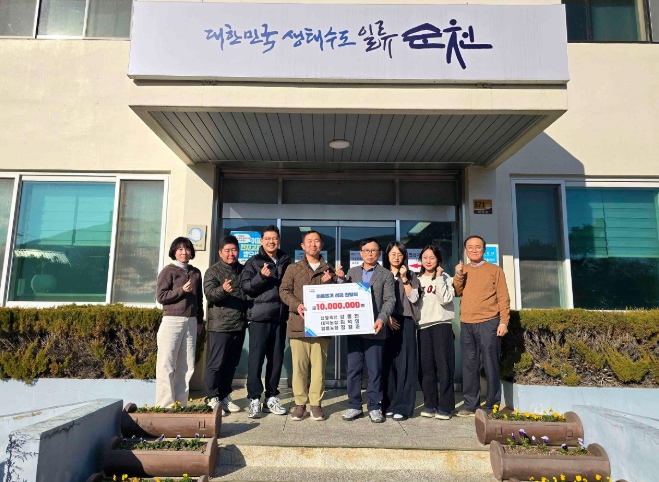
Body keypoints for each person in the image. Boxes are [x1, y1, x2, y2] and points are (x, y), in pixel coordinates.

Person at [279, 230, 340, 422]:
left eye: (317, 241)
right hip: (299, 324)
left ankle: (316, 404)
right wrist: (297, 305)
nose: (313, 244)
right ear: (303, 246)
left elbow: (335, 298)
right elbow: (284, 290)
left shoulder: (329, 269)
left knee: (319, 368)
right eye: (309, 241)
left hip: (321, 326)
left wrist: (332, 282)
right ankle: (300, 404)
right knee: (299, 368)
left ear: (321, 245)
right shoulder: (293, 268)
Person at [339, 238, 395, 423]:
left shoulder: (386, 274)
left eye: (373, 250)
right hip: (355, 328)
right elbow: (343, 296)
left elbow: (389, 300)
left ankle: (374, 406)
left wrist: (382, 319)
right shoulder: (352, 272)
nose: (370, 253)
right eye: (366, 250)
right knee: (353, 369)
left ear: (379, 253)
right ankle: (354, 405)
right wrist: (340, 280)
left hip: (375, 328)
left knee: (374, 370)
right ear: (361, 253)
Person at [453, 235, 510, 417]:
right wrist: (459, 275)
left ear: (484, 249)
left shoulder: (495, 270)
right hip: (467, 322)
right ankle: (470, 405)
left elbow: (503, 297)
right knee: (469, 365)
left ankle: (492, 405)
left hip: (489, 322)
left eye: (478, 247)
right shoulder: (463, 269)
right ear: (465, 250)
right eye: (470, 247)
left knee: (490, 364)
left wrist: (504, 321)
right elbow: (456, 291)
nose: (474, 250)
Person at [240, 225, 292, 419]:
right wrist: (261, 277)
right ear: (261, 241)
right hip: (259, 318)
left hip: (279, 318)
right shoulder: (253, 262)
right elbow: (246, 287)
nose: (271, 241)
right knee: (256, 360)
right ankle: (254, 398)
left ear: (279, 241)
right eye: (267, 238)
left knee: (276, 360)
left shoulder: (286, 261)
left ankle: (271, 397)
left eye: (274, 238)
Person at [155, 237, 204, 408]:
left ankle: (181, 404)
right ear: (174, 252)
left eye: (187, 249)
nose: (184, 252)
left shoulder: (196, 272)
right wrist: (181, 291)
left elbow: (199, 299)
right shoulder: (168, 271)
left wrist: (199, 320)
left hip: (191, 321)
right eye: (180, 249)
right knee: (166, 363)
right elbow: (161, 296)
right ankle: (165, 405)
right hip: (172, 320)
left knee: (187, 365)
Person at [203, 235, 247, 415]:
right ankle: (211, 397)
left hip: (239, 324)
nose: (231, 254)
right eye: (227, 250)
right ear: (220, 252)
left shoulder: (243, 270)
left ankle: (225, 396)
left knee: (231, 364)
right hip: (220, 325)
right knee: (216, 363)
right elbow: (209, 294)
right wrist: (223, 290)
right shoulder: (213, 271)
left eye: (234, 250)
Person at [381, 241, 421, 421]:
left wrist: (404, 278)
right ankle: (389, 404)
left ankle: (403, 406)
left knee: (405, 364)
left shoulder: (412, 275)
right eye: (393, 254)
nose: (396, 257)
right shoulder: (382, 274)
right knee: (388, 364)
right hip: (386, 321)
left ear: (404, 256)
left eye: (400, 254)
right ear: (387, 255)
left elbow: (414, 298)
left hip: (406, 320)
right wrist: (386, 316)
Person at [417, 245, 456, 420]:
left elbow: (445, 299)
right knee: (426, 368)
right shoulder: (416, 279)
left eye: (432, 257)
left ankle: (446, 407)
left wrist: (439, 278)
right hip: (423, 327)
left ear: (438, 259)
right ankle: (430, 404)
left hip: (441, 324)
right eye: (425, 257)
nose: (428, 261)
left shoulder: (446, 277)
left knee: (444, 367)